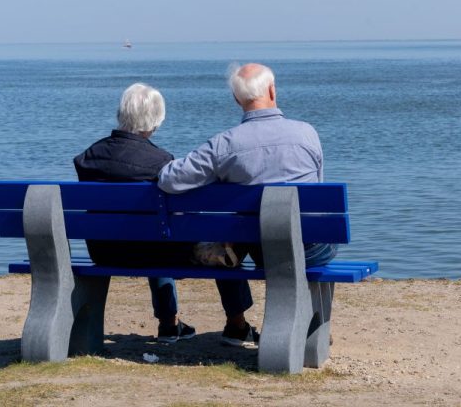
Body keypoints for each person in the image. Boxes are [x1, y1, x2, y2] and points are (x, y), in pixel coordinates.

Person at [158, 63, 337, 348]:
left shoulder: (223, 145)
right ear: (272, 90)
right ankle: (311, 328)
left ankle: (237, 324)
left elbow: (169, 180)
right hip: (309, 249)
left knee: (225, 239)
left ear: (236, 99)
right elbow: (317, 191)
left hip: (258, 249)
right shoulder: (307, 134)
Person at [73, 83, 195, 344]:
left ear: (121, 114)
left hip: (103, 250)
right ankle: (168, 324)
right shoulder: (161, 161)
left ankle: (169, 323)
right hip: (151, 251)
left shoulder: (88, 157)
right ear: (155, 121)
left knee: (151, 235)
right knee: (158, 236)